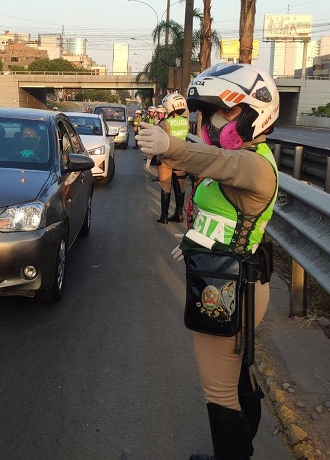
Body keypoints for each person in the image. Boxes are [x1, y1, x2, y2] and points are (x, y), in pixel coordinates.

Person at [135, 63, 280, 460]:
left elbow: (215, 162)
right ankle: (240, 451)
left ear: (255, 113)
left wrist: (169, 146)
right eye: (210, 112)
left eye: (225, 111)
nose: (214, 121)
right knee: (236, 379)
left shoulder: (252, 164)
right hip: (225, 280)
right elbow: (223, 216)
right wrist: (195, 242)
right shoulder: (240, 157)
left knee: (219, 391)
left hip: (230, 289)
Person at [155, 93, 190, 224]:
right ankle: (179, 215)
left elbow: (158, 141)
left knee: (166, 186)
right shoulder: (185, 122)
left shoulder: (165, 123)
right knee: (180, 187)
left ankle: (164, 216)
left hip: (166, 158)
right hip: (181, 158)